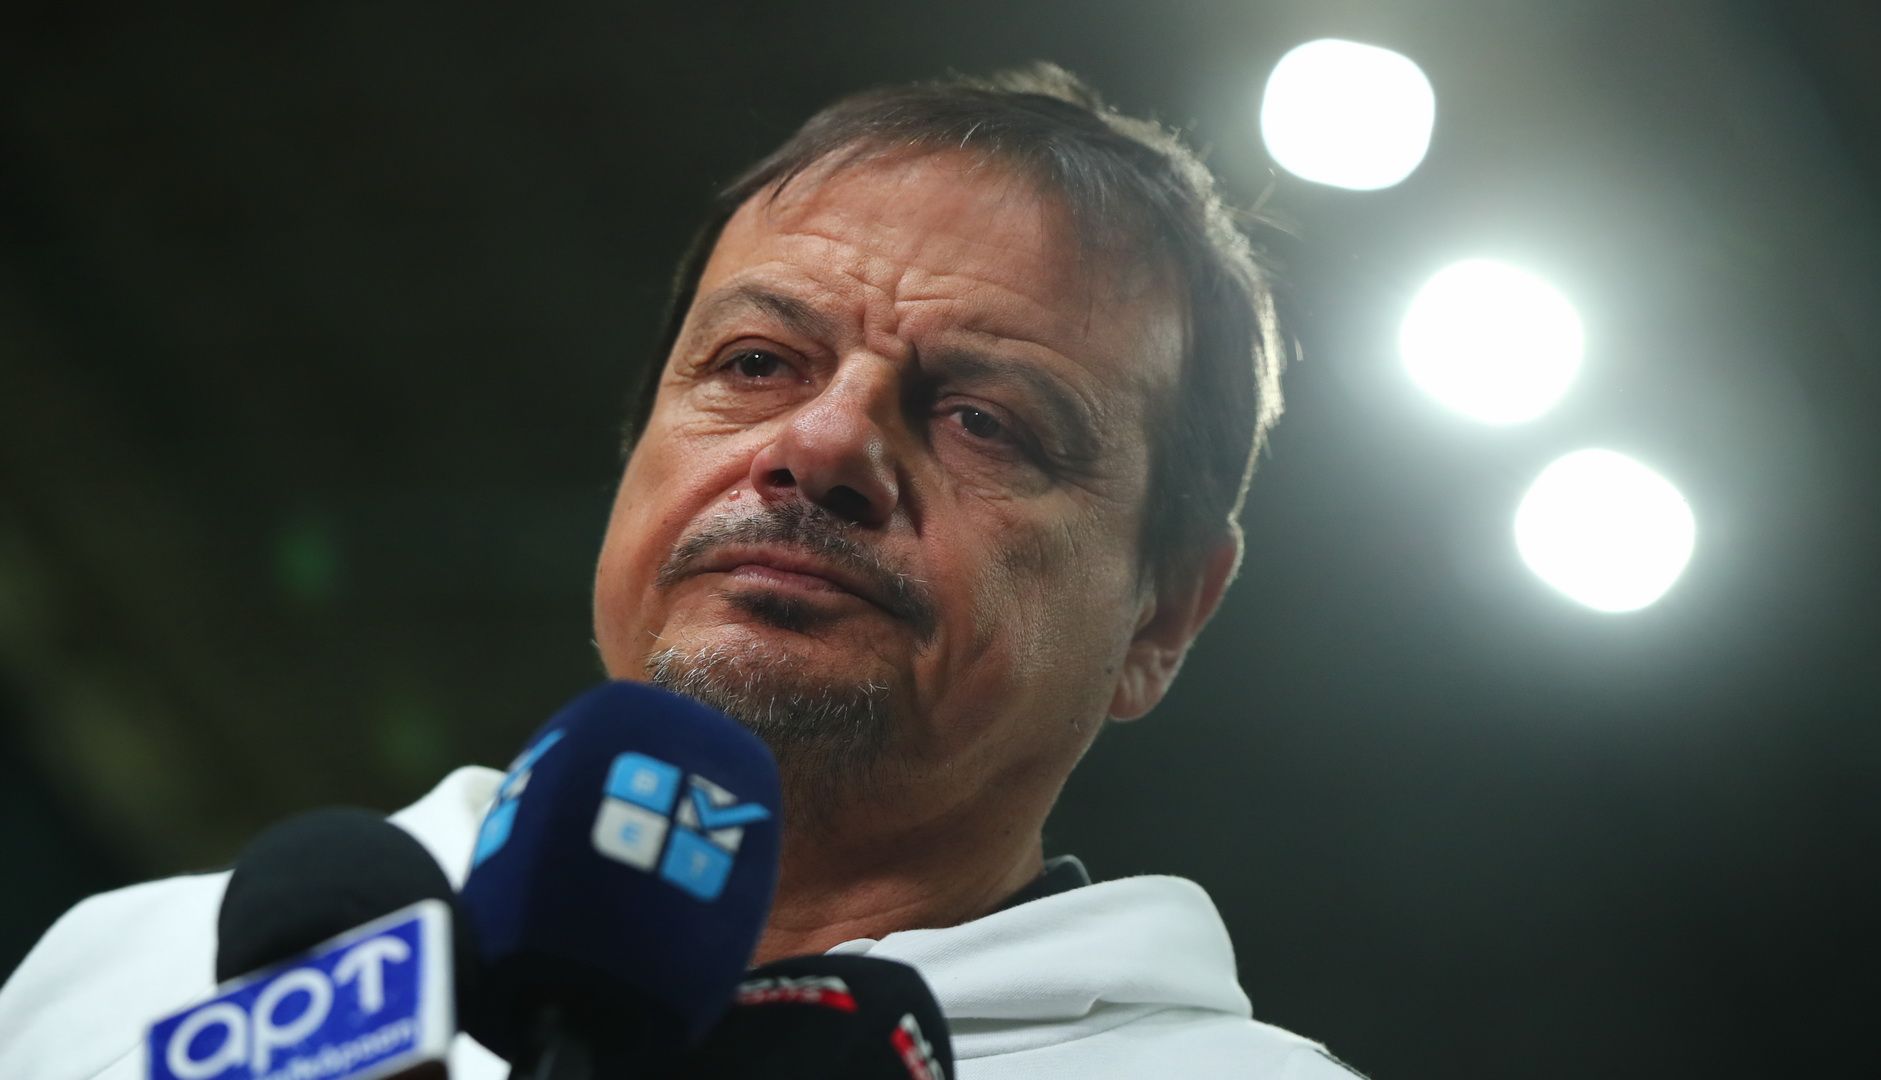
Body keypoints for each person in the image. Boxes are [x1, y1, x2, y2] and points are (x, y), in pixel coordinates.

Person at [0, 64, 1361, 1078]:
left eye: (984, 421)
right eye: (757, 363)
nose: (821, 443)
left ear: (1166, 615)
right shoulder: (136, 976)